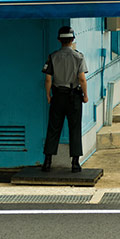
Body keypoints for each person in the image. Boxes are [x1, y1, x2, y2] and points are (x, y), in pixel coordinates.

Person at [41, 26, 89, 173]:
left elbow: (48, 79)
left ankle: (48, 161)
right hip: (73, 96)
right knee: (74, 128)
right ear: (73, 39)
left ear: (59, 40)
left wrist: (48, 95)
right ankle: (75, 163)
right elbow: (82, 78)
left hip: (58, 96)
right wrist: (85, 95)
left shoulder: (53, 56)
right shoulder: (79, 56)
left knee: (54, 127)